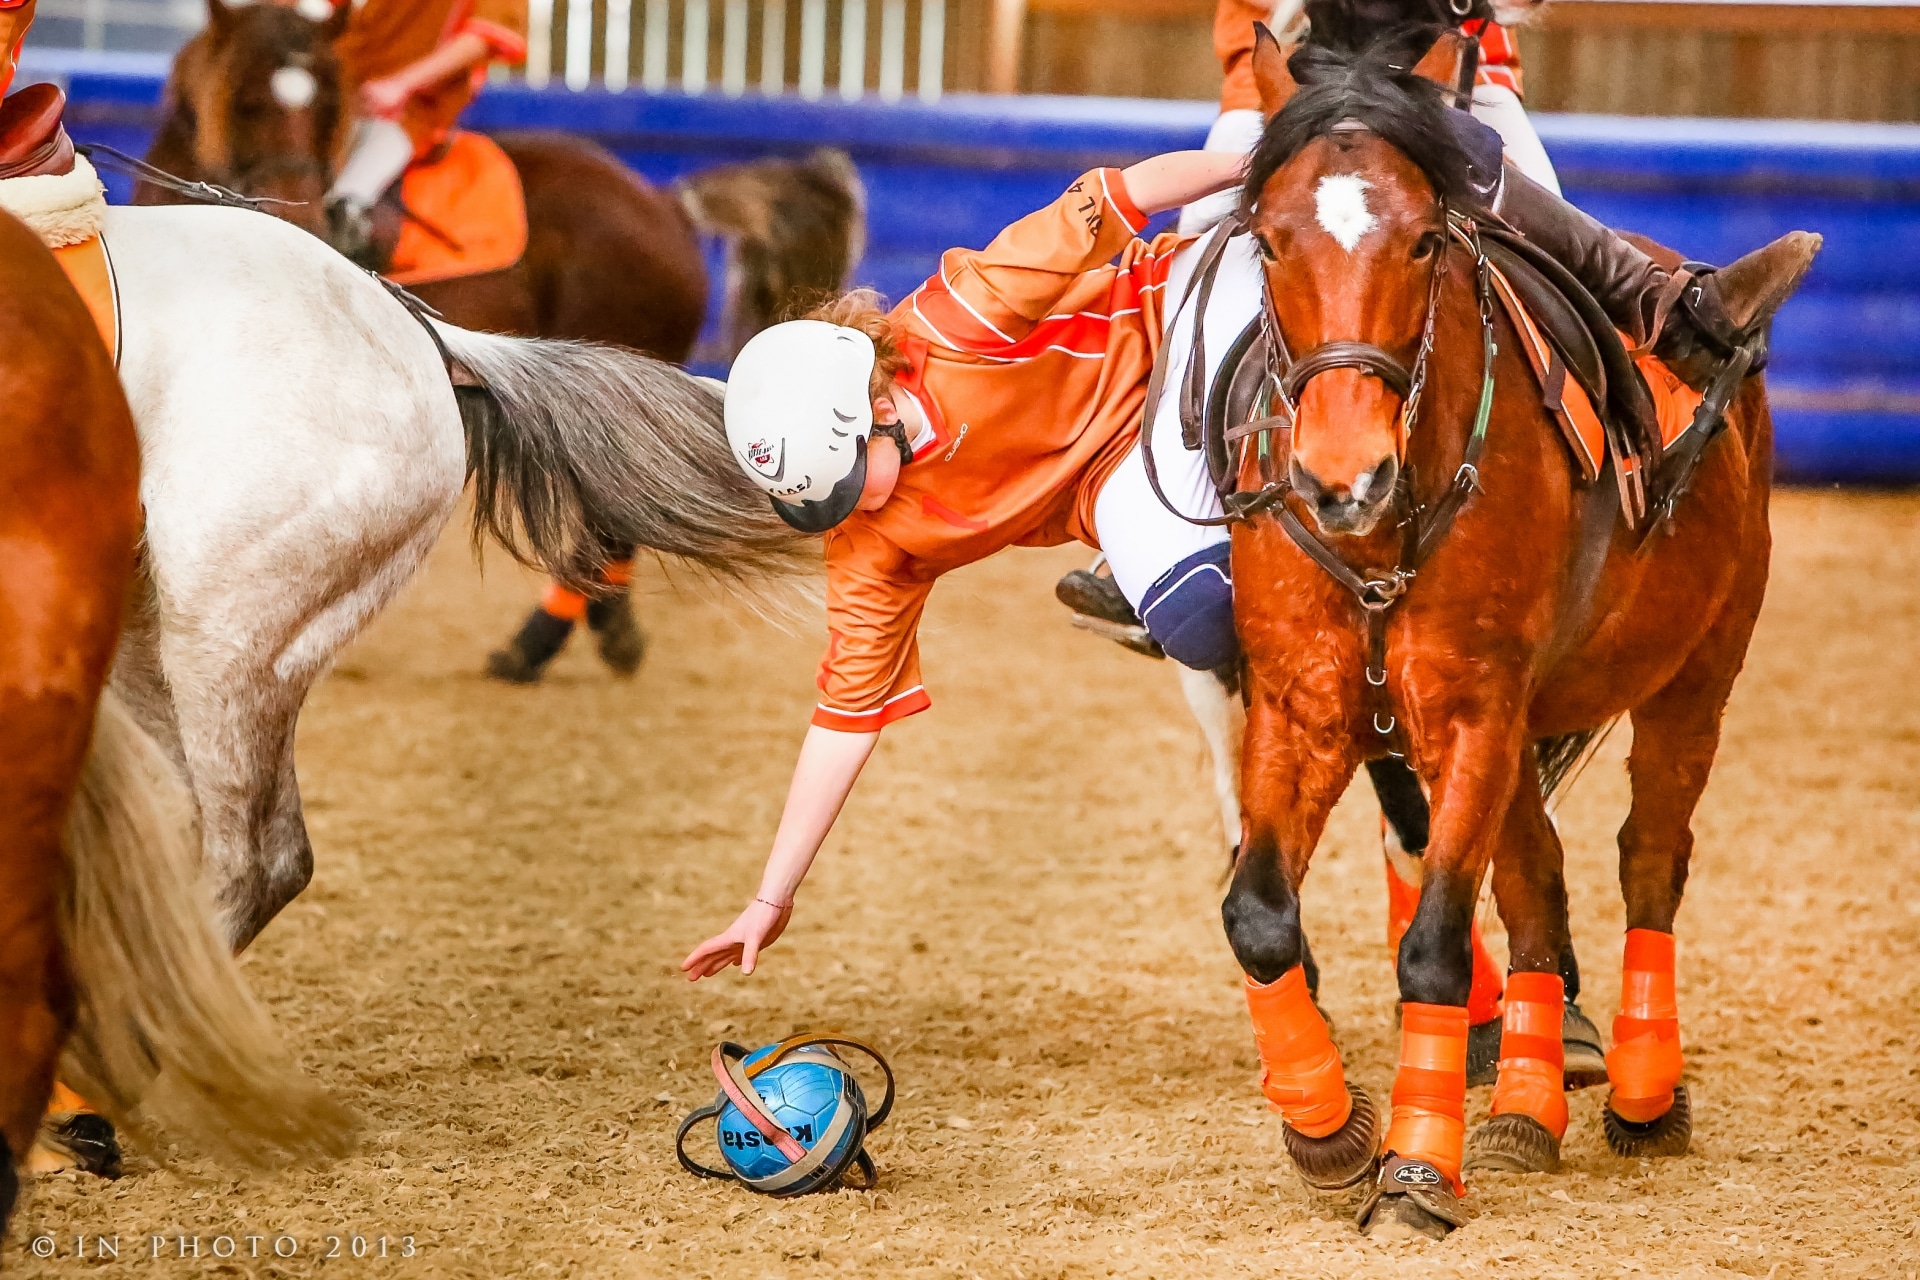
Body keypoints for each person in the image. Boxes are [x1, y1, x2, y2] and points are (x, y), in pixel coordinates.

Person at [681, 115, 1759, 979]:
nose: (861, 510)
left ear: (878, 390)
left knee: (1320, 290)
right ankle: (1385, 758)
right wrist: (770, 896)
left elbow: (1123, 197)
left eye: (855, 472)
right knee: (1207, 615)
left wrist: (1261, 159)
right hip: (1122, 487)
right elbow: (841, 719)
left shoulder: (961, 316)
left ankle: (1650, 329)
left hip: (1176, 336)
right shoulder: (867, 540)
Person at [320, 0, 528, 266]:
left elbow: (484, 38)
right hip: (340, 92)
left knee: (346, 200)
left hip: (410, 110)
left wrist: (401, 84)